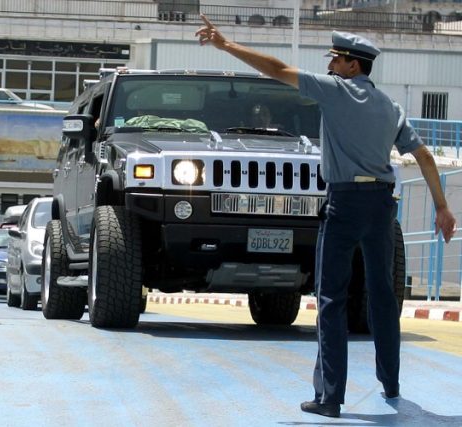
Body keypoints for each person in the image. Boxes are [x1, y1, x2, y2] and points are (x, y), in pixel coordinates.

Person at [195, 17, 457, 418]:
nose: (331, 65)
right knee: (383, 297)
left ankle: (330, 397)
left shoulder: (334, 91)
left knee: (332, 297)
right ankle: (391, 383)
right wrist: (441, 206)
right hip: (381, 204)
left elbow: (277, 69)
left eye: (336, 59)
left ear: (353, 65)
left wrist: (226, 45)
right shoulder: (391, 107)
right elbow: (422, 154)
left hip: (345, 202)